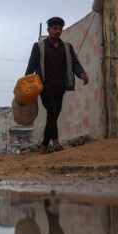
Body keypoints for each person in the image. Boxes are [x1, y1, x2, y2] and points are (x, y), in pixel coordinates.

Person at [25, 16, 89, 154]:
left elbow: (75, 64)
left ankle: (43, 146)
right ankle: (55, 142)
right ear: (48, 30)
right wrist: (26, 88)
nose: (58, 31)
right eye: (55, 28)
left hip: (60, 88)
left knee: (52, 116)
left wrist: (82, 74)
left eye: (60, 29)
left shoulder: (66, 47)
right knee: (52, 111)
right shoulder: (39, 47)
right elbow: (31, 67)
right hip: (44, 88)